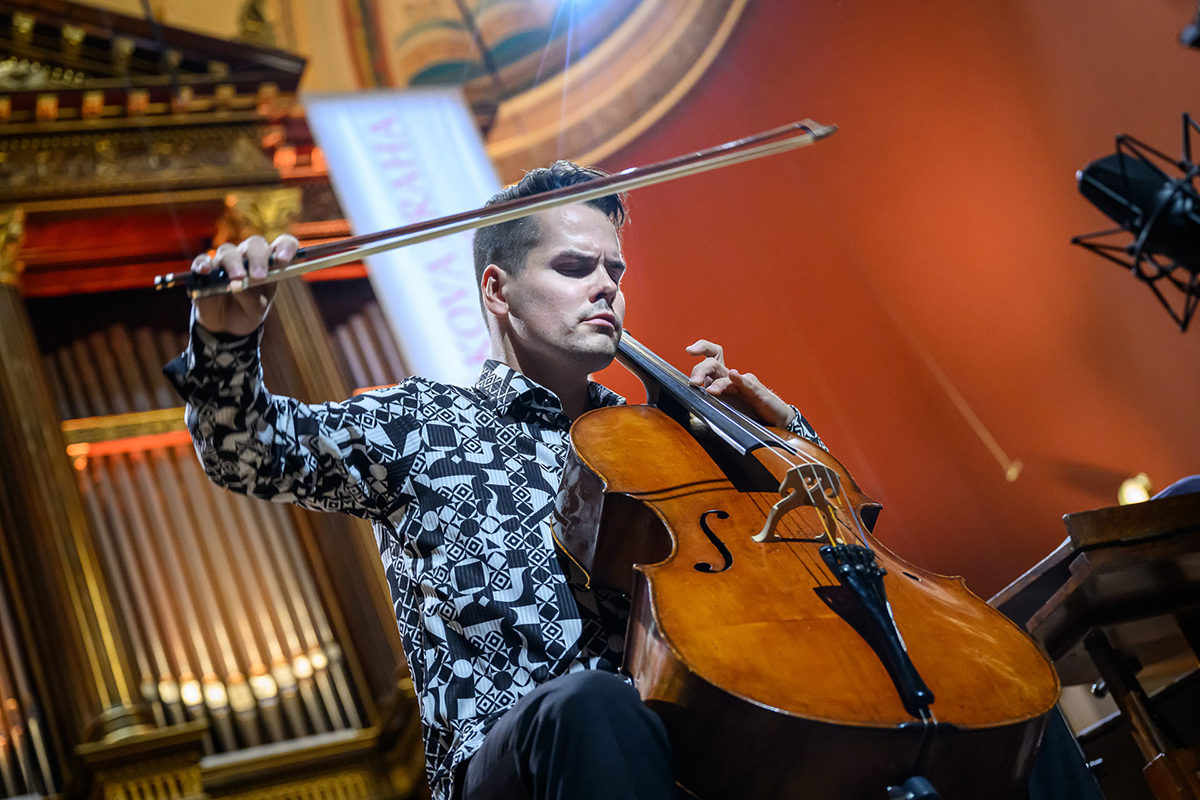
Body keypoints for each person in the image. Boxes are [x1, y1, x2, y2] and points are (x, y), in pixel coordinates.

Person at [165, 161, 824, 800]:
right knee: (591, 704)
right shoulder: (420, 425)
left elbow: (814, 546)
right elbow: (245, 451)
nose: (606, 287)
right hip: (506, 769)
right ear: (498, 290)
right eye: (574, 267)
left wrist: (774, 439)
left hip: (656, 759)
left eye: (613, 270)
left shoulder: (662, 442)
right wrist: (225, 343)